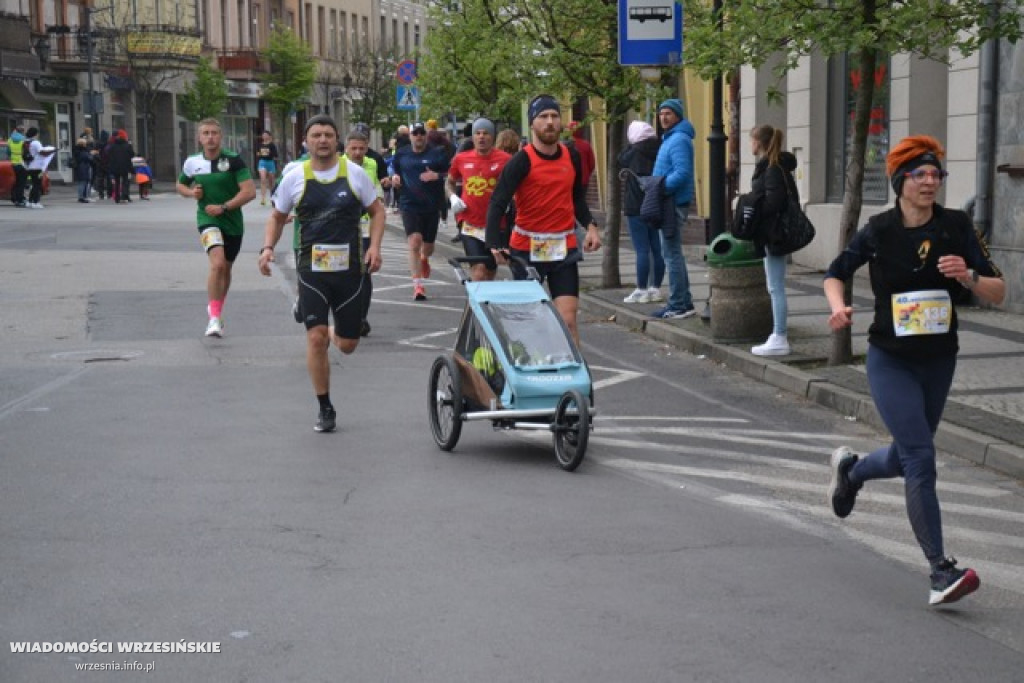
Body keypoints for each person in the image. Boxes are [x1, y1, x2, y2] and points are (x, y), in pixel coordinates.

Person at [824, 135, 1005, 607]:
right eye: (920, 174)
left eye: (936, 175)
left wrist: (968, 276)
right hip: (891, 359)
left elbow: (1000, 291)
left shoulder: (957, 227)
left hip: (939, 359)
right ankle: (940, 570)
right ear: (900, 181)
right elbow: (834, 271)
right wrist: (839, 307)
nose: (930, 182)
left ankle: (853, 471)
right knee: (921, 458)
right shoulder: (880, 230)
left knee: (910, 452)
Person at [258, 115, 385, 433]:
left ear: (337, 139)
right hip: (311, 269)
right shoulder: (294, 176)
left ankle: (328, 327)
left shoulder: (354, 174)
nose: (323, 140)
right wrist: (267, 248)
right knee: (314, 339)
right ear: (307, 141)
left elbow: (378, 211)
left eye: (328, 134)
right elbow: (276, 216)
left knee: (347, 344)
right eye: (316, 135)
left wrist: (375, 248)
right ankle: (325, 407)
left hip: (350, 271)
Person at [485, 94, 602, 344]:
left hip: (563, 248)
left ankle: (570, 382)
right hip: (526, 250)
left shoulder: (571, 156)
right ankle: (535, 375)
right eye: (543, 117)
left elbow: (577, 198)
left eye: (554, 116)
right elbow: (498, 202)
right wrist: (494, 243)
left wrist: (591, 227)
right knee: (532, 321)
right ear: (532, 124)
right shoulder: (521, 161)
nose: (550, 122)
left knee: (568, 320)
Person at [176, 118, 257, 338]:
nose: (210, 137)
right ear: (199, 138)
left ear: (221, 137)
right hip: (206, 219)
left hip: (232, 222)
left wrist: (224, 207)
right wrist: (191, 193)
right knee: (217, 264)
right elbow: (181, 184)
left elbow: (249, 192)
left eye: (214, 133)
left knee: (226, 268)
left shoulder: (234, 161)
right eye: (206, 133)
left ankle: (217, 308)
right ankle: (213, 318)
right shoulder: (192, 162)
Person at [745, 124, 799, 356]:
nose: (750, 144)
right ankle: (777, 335)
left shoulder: (772, 169)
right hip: (772, 233)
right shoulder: (773, 167)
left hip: (774, 234)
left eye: (751, 140)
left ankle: (779, 336)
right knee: (773, 285)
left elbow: (774, 203)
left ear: (758, 142)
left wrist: (752, 204)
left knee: (776, 286)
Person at [389, 121, 450, 301]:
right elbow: (395, 171)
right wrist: (395, 178)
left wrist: (437, 176)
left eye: (421, 133)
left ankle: (425, 257)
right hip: (409, 204)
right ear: (410, 136)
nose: (419, 136)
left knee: (428, 247)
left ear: (426, 135)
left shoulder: (437, 153)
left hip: (431, 205)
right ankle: (417, 286)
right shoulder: (402, 154)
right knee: (414, 242)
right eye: (415, 133)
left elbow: (452, 174)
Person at [446, 117, 512, 281]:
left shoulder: (505, 160)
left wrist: (511, 203)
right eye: (478, 133)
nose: (481, 137)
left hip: (496, 225)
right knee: (478, 270)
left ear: (493, 137)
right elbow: (449, 182)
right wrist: (453, 197)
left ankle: (475, 305)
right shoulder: (461, 159)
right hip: (470, 224)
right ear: (473, 137)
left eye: (486, 133)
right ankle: (476, 305)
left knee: (489, 273)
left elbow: (516, 186)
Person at [650, 98, 697, 319]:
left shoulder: (678, 140)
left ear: (678, 116)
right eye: (661, 114)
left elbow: (682, 172)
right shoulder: (672, 138)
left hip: (672, 203)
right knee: (671, 252)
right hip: (668, 201)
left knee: (671, 254)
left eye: (668, 113)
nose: (664, 117)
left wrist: (659, 188)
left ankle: (679, 304)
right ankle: (682, 301)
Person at [341, 128, 384, 337]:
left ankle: (361, 318)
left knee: (365, 272)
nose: (357, 152)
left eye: (361, 148)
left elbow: (373, 188)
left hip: (365, 226)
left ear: (367, 148)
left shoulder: (371, 164)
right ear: (346, 148)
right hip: (343, 227)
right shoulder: (338, 165)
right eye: (353, 148)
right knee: (344, 273)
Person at [617, 120, 665, 304]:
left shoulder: (634, 152)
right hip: (655, 205)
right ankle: (655, 288)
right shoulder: (659, 149)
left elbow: (620, 159)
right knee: (656, 248)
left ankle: (641, 289)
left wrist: (631, 145)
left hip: (636, 206)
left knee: (642, 250)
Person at [24, 127, 55, 210]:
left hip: (30, 165)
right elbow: (42, 152)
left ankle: (30, 202)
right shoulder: (36, 142)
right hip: (37, 166)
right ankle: (35, 202)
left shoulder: (26, 142)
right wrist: (52, 151)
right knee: (37, 185)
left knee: (34, 184)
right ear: (36, 134)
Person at [107, 130, 135, 203]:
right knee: (125, 181)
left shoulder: (113, 146)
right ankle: (124, 196)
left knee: (117, 182)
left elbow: (109, 154)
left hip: (115, 166)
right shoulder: (127, 145)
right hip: (125, 166)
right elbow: (132, 155)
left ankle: (117, 198)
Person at [255, 130, 278, 205]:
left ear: (269, 136)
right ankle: (263, 198)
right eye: (263, 135)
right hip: (262, 162)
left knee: (271, 182)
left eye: (266, 135)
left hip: (270, 163)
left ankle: (272, 197)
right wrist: (260, 154)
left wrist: (271, 156)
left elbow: (275, 155)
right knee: (263, 179)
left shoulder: (272, 145)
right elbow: (257, 153)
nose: (264, 136)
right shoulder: (260, 145)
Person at [8, 126, 27, 207]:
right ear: (22, 131)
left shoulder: (10, 140)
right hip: (21, 163)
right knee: (21, 183)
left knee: (15, 182)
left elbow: (8, 152)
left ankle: (14, 198)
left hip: (12, 163)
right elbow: (26, 152)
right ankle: (20, 199)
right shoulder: (24, 140)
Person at [73, 137, 94, 203]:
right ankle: (82, 197)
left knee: (80, 183)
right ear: (83, 144)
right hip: (84, 168)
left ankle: (81, 197)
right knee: (83, 183)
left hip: (79, 168)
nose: (86, 144)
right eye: (85, 143)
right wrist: (91, 154)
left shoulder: (77, 150)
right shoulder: (83, 151)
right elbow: (89, 158)